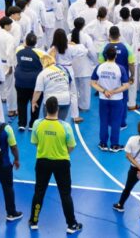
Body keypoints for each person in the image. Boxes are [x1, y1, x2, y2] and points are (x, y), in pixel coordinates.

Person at [28, 96, 81, 234]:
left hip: (42, 162)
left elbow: (34, 142)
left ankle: (33, 221)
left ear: (45, 108)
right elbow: (71, 146)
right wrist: (62, 152)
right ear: (57, 108)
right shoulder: (65, 126)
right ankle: (71, 224)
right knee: (65, 194)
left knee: (39, 192)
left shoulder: (37, 124)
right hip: (62, 163)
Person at [113, 121, 140, 218]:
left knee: (128, 188)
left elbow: (128, 156)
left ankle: (120, 205)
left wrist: (138, 166)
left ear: (138, 130)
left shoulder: (132, 140)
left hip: (134, 169)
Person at [90, 45, 129, 151]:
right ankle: (114, 145)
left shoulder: (99, 67)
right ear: (116, 56)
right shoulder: (120, 68)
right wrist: (113, 91)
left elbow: (92, 83)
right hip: (116, 100)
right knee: (116, 122)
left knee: (103, 121)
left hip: (103, 99)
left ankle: (103, 144)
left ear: (105, 55)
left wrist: (104, 91)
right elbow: (126, 85)